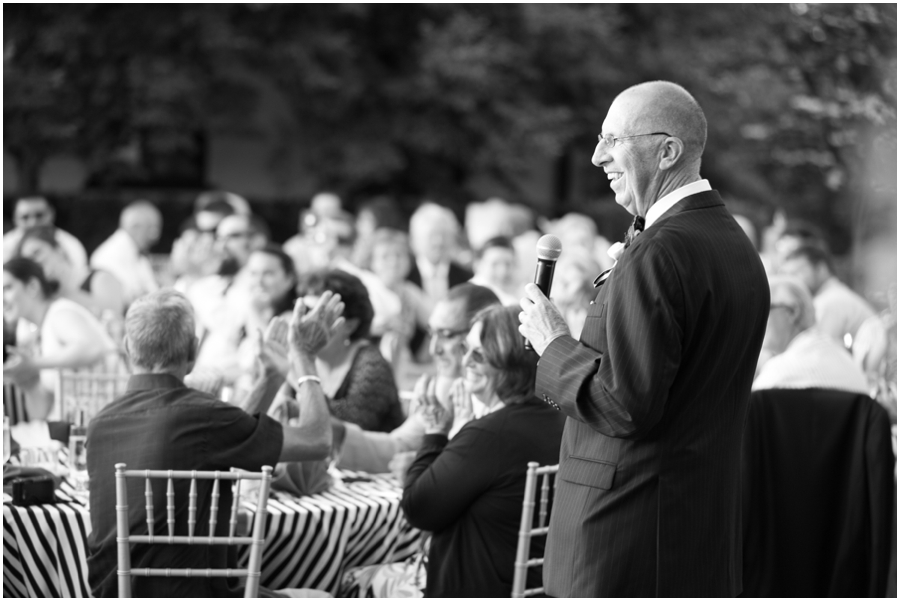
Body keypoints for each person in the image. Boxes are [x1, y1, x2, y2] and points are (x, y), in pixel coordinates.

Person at [518, 80, 770, 597]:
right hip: (693, 530)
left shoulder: (660, 251)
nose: (596, 157)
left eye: (614, 141)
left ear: (667, 150)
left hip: (623, 540)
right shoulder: (734, 246)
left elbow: (624, 405)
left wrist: (553, 343)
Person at [86, 288, 341, 597]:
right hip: (199, 595)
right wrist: (304, 357)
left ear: (128, 347)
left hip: (114, 595)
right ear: (194, 352)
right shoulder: (203, 415)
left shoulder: (99, 424)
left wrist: (271, 378)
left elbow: (220, 440)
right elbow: (318, 440)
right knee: (322, 596)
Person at [399, 305, 565, 597]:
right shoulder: (562, 419)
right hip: (539, 586)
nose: (464, 361)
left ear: (508, 362)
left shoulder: (491, 435)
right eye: (465, 349)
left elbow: (417, 508)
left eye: (477, 354)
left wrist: (435, 432)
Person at [333, 283, 501, 474]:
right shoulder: (447, 385)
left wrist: (431, 464)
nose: (434, 349)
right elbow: (400, 446)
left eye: (446, 335)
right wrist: (332, 432)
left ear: (482, 333)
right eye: (432, 333)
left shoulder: (507, 396)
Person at [2, 258, 117, 422]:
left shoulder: (60, 313)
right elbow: (40, 413)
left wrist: (35, 363)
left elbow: (93, 348)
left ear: (32, 286)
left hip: (109, 418)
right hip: (79, 426)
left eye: (7, 288)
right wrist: (27, 382)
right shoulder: (32, 334)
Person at [297, 269, 405, 433]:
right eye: (304, 311)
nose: (306, 321)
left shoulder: (372, 365)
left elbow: (348, 431)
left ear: (350, 325)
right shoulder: (299, 356)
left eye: (320, 314)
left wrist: (300, 362)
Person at [193, 245, 298, 400]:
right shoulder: (240, 314)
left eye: (268, 273)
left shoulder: (295, 319)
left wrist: (252, 309)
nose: (258, 281)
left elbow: (271, 356)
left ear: (289, 279)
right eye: (253, 273)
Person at [753, 276, 869, 394]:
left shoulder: (779, 372)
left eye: (765, 309)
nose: (756, 319)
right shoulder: (846, 361)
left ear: (793, 312)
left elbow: (751, 409)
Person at [778, 244, 879, 349]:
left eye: (798, 272)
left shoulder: (829, 302)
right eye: (788, 274)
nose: (792, 280)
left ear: (821, 269)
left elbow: (817, 351)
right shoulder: (835, 294)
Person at [16, 225, 127, 319]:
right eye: (28, 260)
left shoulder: (99, 278)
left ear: (58, 249)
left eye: (37, 253)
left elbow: (115, 315)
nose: (34, 262)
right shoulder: (45, 297)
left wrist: (63, 289)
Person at [90, 200, 163, 304]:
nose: (156, 236)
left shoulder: (137, 255)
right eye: (151, 228)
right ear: (134, 227)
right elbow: (133, 298)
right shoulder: (108, 255)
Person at [407, 202, 473, 309]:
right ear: (416, 239)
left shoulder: (467, 279)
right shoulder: (406, 276)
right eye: (432, 235)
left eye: (444, 235)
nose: (439, 242)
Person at [3, 195, 88, 270]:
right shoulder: (4, 245)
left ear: (51, 214)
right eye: (25, 217)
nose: (32, 223)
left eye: (39, 215)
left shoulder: (70, 244)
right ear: (14, 218)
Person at [469, 236, 520, 306]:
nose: (503, 271)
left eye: (508, 264)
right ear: (478, 265)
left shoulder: (515, 293)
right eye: (495, 264)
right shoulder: (470, 297)